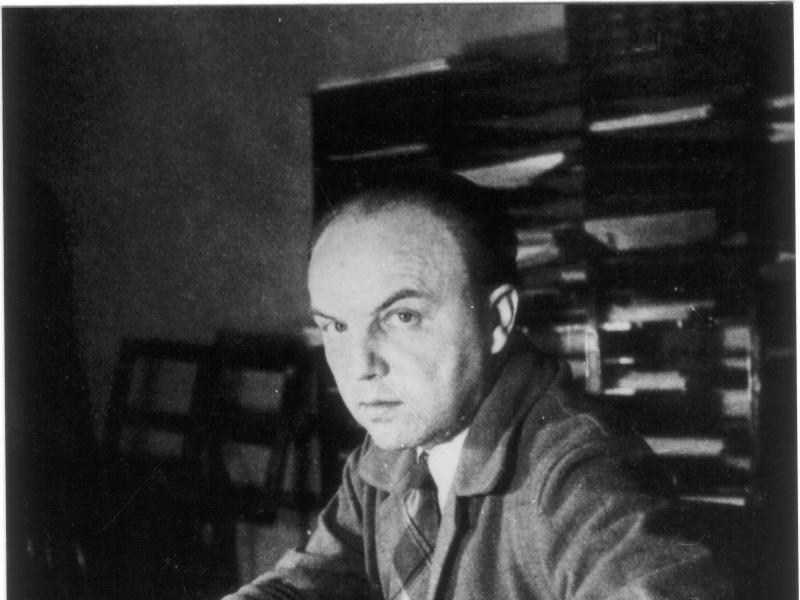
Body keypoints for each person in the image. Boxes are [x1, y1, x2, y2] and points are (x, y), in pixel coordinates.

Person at [224, 171, 732, 600]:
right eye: (336, 326)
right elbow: (312, 580)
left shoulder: (580, 477)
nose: (360, 366)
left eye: (402, 317)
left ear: (497, 320)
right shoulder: (392, 451)